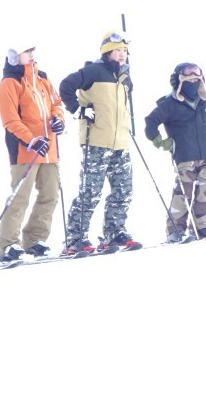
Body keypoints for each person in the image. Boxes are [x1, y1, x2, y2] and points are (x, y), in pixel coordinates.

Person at [58, 30, 141, 254]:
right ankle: (75, 239)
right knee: (90, 192)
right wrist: (79, 110)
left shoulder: (125, 76)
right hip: (96, 140)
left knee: (123, 190)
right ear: (107, 52)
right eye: (117, 50)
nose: (122, 54)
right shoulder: (94, 71)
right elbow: (66, 86)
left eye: (124, 51)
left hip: (120, 142)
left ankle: (114, 233)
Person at [0, 44, 65, 262]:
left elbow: (56, 103)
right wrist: (31, 140)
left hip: (48, 148)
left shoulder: (42, 78)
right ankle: (7, 244)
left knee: (50, 194)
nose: (32, 55)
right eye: (27, 52)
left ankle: (35, 239)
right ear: (15, 56)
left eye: (32, 52)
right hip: (25, 150)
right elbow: (10, 120)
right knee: (20, 197)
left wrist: (58, 119)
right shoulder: (10, 82)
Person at [144, 62, 206, 243]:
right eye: (188, 77)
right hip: (185, 155)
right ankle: (175, 229)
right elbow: (151, 121)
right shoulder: (170, 104)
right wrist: (161, 142)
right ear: (179, 80)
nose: (193, 80)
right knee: (184, 193)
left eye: (196, 77)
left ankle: (202, 226)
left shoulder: (205, 101)